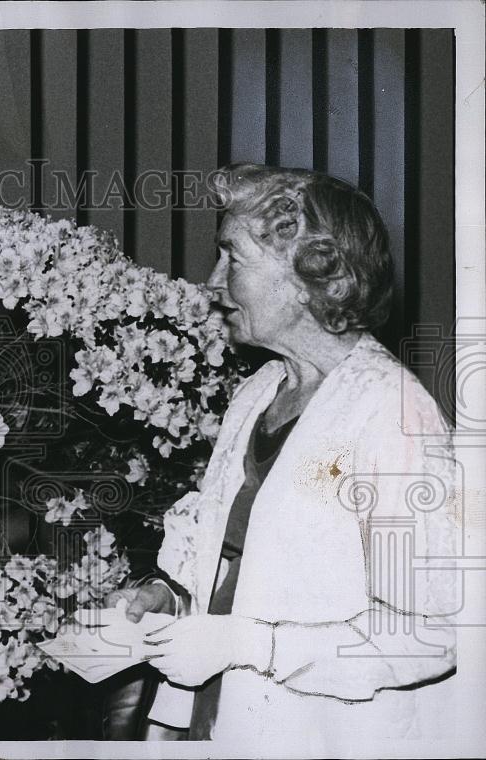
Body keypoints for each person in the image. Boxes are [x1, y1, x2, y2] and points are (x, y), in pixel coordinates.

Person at [113, 164, 458, 743]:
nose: (212, 282)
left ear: (308, 277)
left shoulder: (395, 414)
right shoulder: (259, 391)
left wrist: (251, 645)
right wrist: (169, 597)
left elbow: (430, 630)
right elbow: (243, 564)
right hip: (222, 720)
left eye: (233, 259)